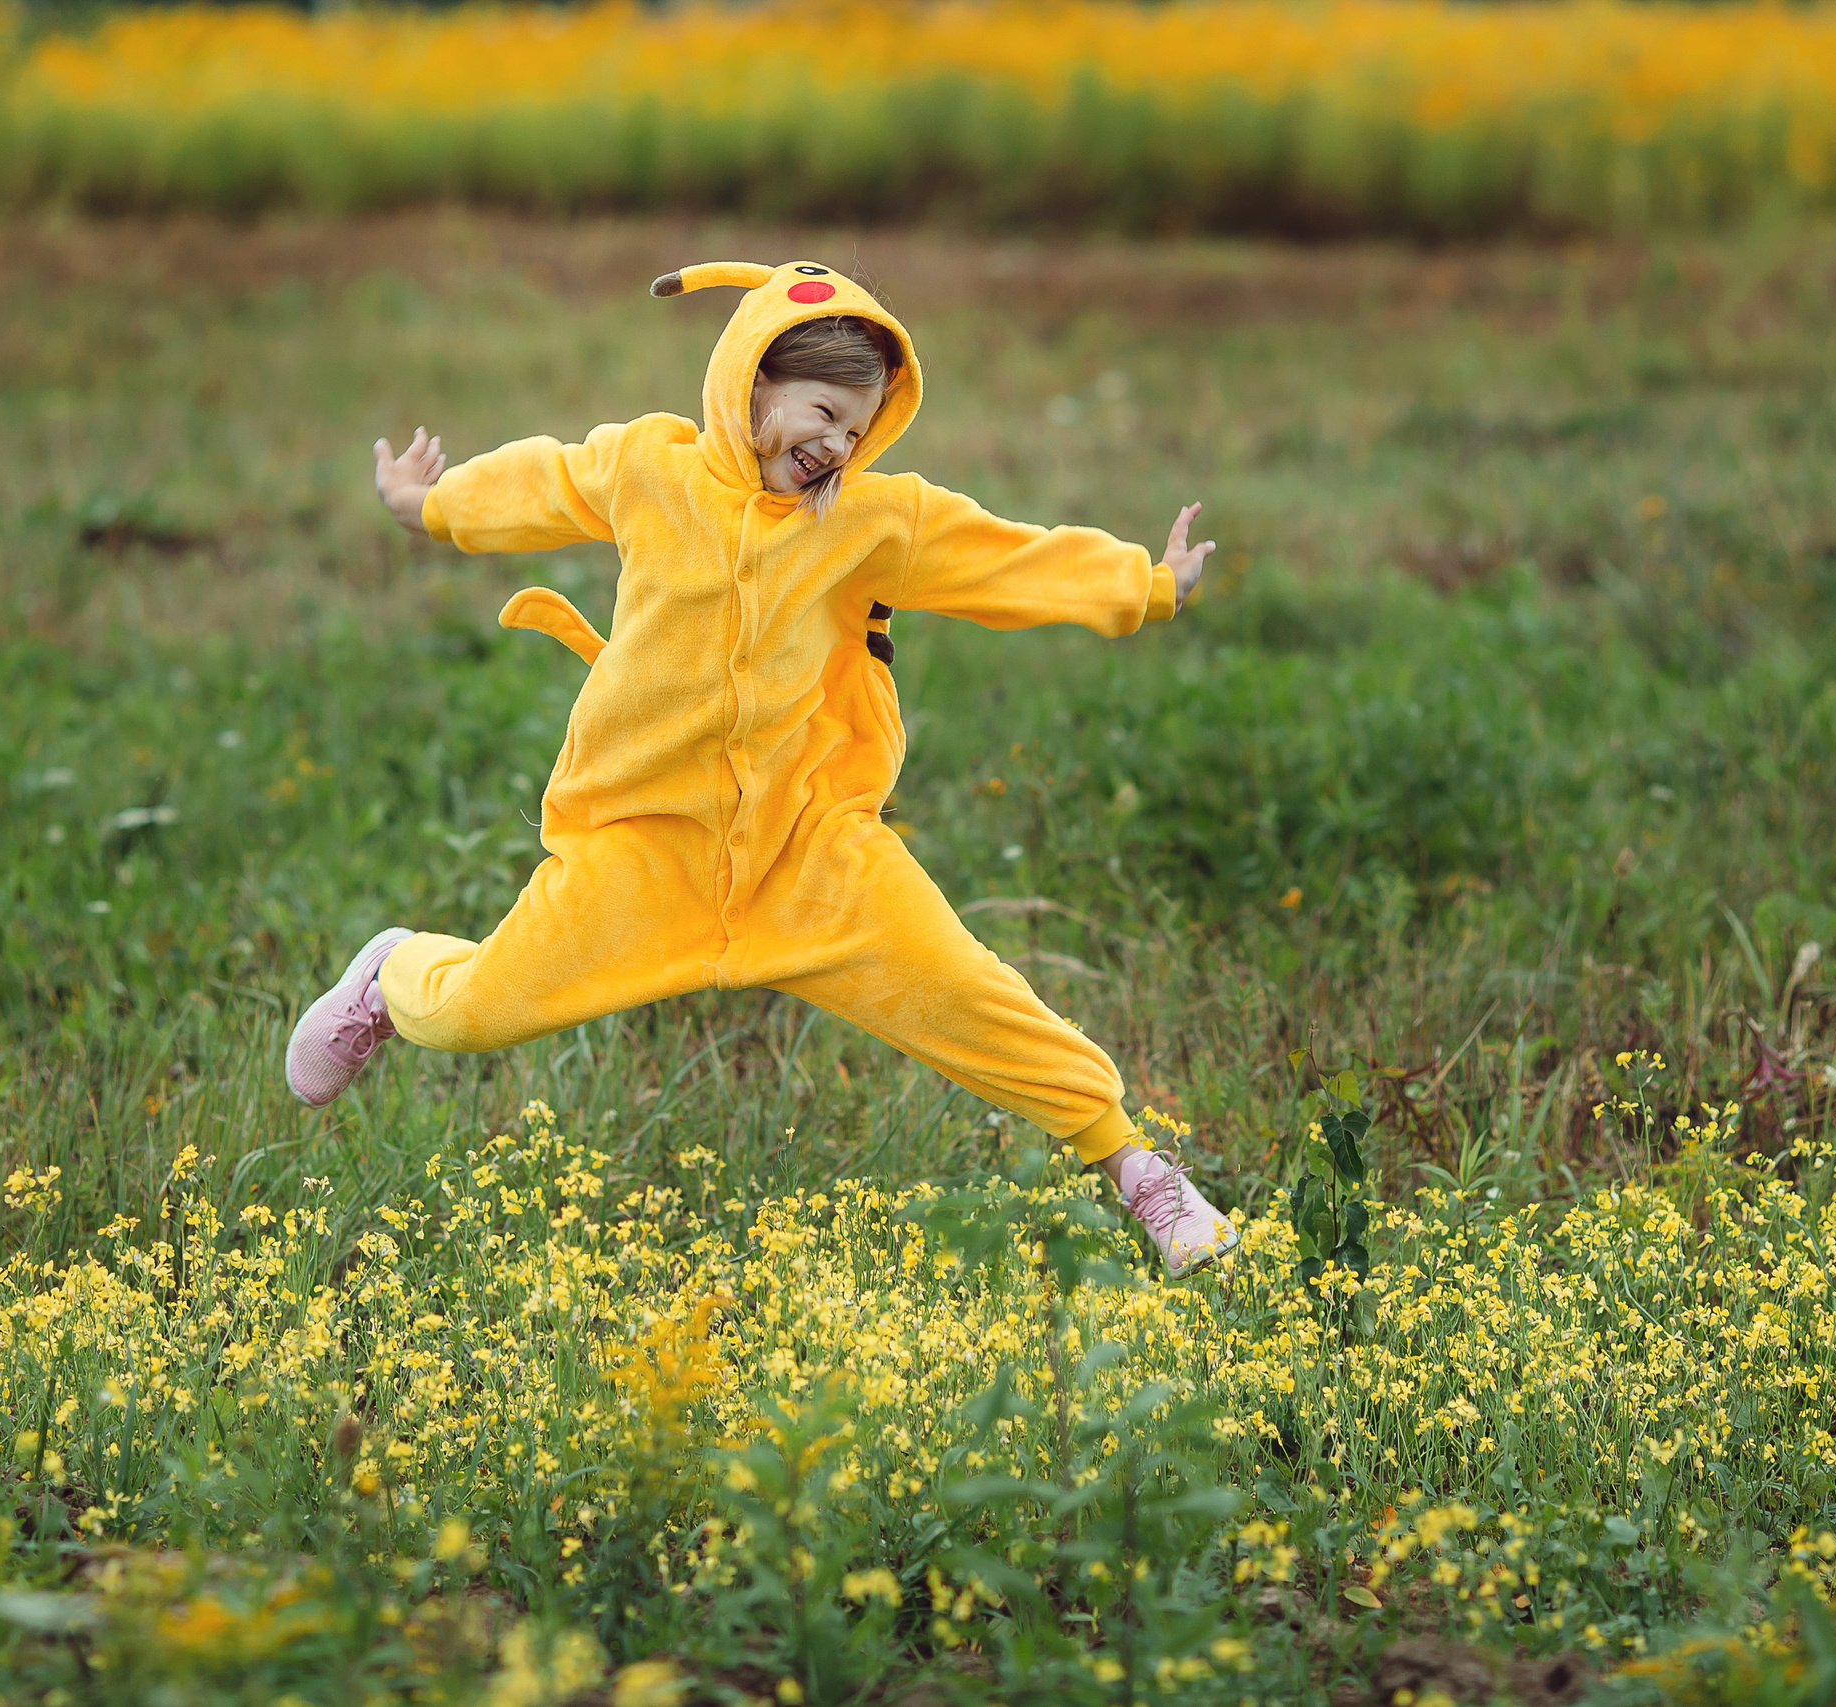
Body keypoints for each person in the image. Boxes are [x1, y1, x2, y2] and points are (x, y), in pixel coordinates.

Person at [289, 259, 1238, 1277]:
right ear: (752, 384)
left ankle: (1139, 1171)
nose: (837, 445)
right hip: (642, 844)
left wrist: (1144, 584)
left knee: (965, 992)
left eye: (858, 431)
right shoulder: (650, 468)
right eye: (824, 412)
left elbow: (1003, 557)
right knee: (477, 1010)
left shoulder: (872, 519)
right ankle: (391, 973)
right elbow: (547, 481)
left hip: (808, 845)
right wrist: (431, 504)